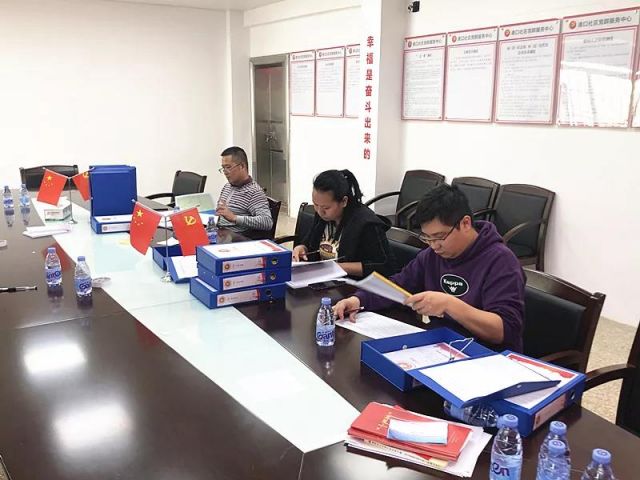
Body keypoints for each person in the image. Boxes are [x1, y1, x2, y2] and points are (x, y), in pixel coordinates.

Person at [334, 184, 525, 352]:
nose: (434, 245)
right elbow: (398, 285)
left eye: (440, 237)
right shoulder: (432, 255)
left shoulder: (501, 261)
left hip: (485, 358)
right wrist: (358, 300)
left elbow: (504, 330)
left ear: (465, 223)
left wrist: (449, 305)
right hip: (439, 347)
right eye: (427, 238)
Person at [293, 169, 394, 277]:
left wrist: (338, 267)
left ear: (344, 201)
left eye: (326, 207)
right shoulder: (323, 215)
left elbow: (385, 267)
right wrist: (302, 248)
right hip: (322, 278)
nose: (320, 211)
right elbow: (310, 242)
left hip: (351, 283)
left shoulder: (367, 224)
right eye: (315, 204)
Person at [216, 146, 273, 234]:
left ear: (242, 166)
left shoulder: (254, 192)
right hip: (219, 232)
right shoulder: (227, 186)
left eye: (228, 167)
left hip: (235, 237)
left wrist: (235, 218)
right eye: (223, 168)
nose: (225, 172)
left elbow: (267, 222)